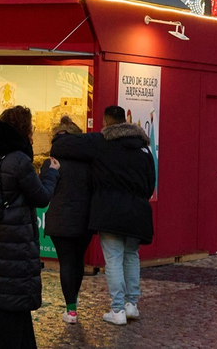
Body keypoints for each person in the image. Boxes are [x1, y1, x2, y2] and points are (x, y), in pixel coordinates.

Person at [51, 106, 153, 326]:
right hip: (137, 212)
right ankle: (131, 305)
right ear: (125, 121)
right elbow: (150, 184)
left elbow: (62, 145)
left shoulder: (101, 142)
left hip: (110, 212)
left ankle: (117, 310)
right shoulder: (144, 147)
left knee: (114, 258)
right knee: (131, 255)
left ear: (105, 123)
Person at [0, 106, 59, 348]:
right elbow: (42, 197)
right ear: (25, 129)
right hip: (15, 241)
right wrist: (52, 173)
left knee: (13, 303)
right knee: (12, 305)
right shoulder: (19, 160)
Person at [41, 117, 91, 323]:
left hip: (60, 220)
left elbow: (45, 189)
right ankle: (73, 301)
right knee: (77, 261)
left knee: (67, 262)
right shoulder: (89, 163)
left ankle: (71, 309)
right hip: (85, 219)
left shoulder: (50, 163)